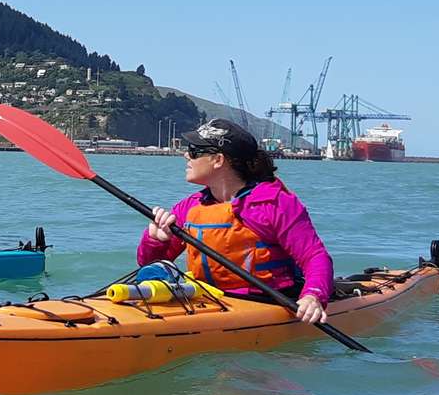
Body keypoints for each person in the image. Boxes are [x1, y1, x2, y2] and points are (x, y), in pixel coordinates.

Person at [136, 118, 333, 323]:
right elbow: (148, 264)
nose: (186, 155)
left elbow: (315, 256)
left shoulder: (274, 204)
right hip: (209, 299)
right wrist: (156, 240)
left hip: (266, 301)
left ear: (218, 160)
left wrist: (313, 296)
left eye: (194, 151)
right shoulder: (190, 207)